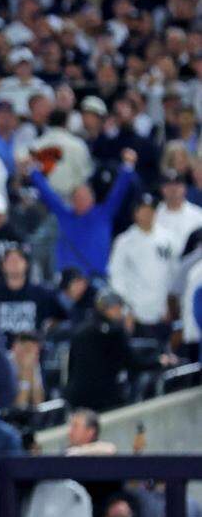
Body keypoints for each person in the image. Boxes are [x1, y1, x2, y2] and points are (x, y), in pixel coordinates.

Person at [28, 148, 137, 277]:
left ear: (92, 198)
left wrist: (128, 165)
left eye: (85, 196)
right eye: (77, 197)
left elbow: (119, 190)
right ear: (72, 201)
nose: (81, 200)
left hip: (97, 279)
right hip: (67, 280)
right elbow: (47, 193)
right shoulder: (65, 215)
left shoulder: (103, 214)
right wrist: (33, 170)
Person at [66, 289, 170, 411]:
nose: (120, 312)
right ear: (112, 309)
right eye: (118, 308)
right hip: (104, 397)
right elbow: (132, 363)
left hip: (77, 398)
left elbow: (70, 367)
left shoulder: (80, 331)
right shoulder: (114, 332)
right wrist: (158, 361)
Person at [108, 194, 179, 341]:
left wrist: (170, 306)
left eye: (151, 210)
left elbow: (174, 274)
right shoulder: (124, 241)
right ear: (136, 213)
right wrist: (126, 311)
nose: (148, 214)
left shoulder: (168, 238)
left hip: (162, 313)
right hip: (136, 314)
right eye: (143, 210)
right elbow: (117, 278)